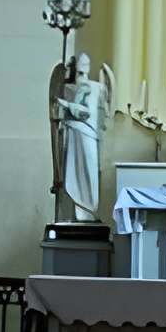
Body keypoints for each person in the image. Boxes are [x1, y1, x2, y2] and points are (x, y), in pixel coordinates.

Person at [52, 51, 113, 222]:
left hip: (88, 134)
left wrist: (64, 103)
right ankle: (81, 212)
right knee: (75, 171)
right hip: (74, 134)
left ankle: (89, 211)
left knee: (88, 169)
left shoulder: (93, 87)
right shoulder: (70, 88)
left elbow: (84, 112)